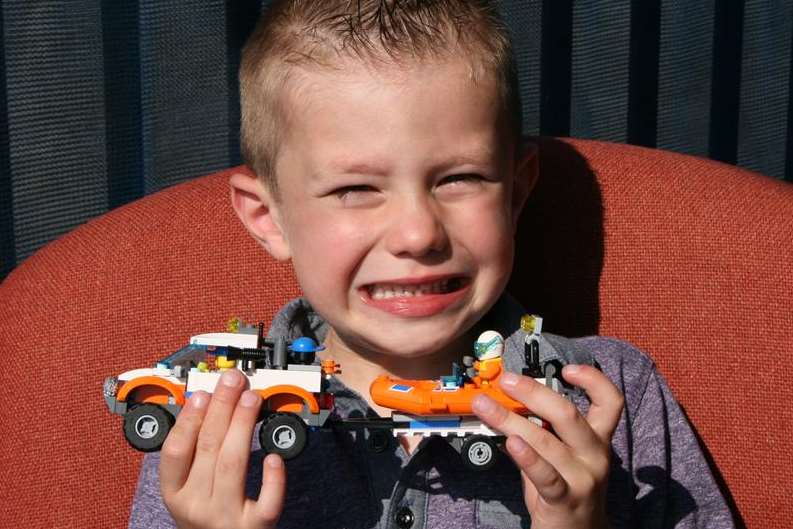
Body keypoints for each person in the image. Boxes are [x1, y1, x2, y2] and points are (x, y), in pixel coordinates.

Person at [128, 1, 734, 528]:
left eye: (460, 178)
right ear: (269, 219)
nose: (418, 234)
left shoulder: (611, 394)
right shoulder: (213, 420)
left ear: (517, 194)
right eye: (355, 189)